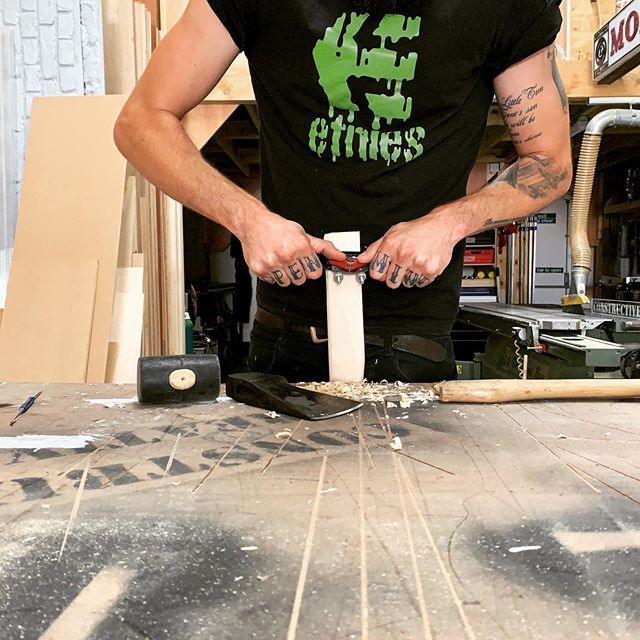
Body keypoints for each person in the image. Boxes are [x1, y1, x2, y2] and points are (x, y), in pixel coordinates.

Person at [114, 0, 572, 382]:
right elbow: (141, 122)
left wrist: (448, 224)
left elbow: (549, 163)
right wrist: (248, 219)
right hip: (286, 337)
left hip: (413, 343)